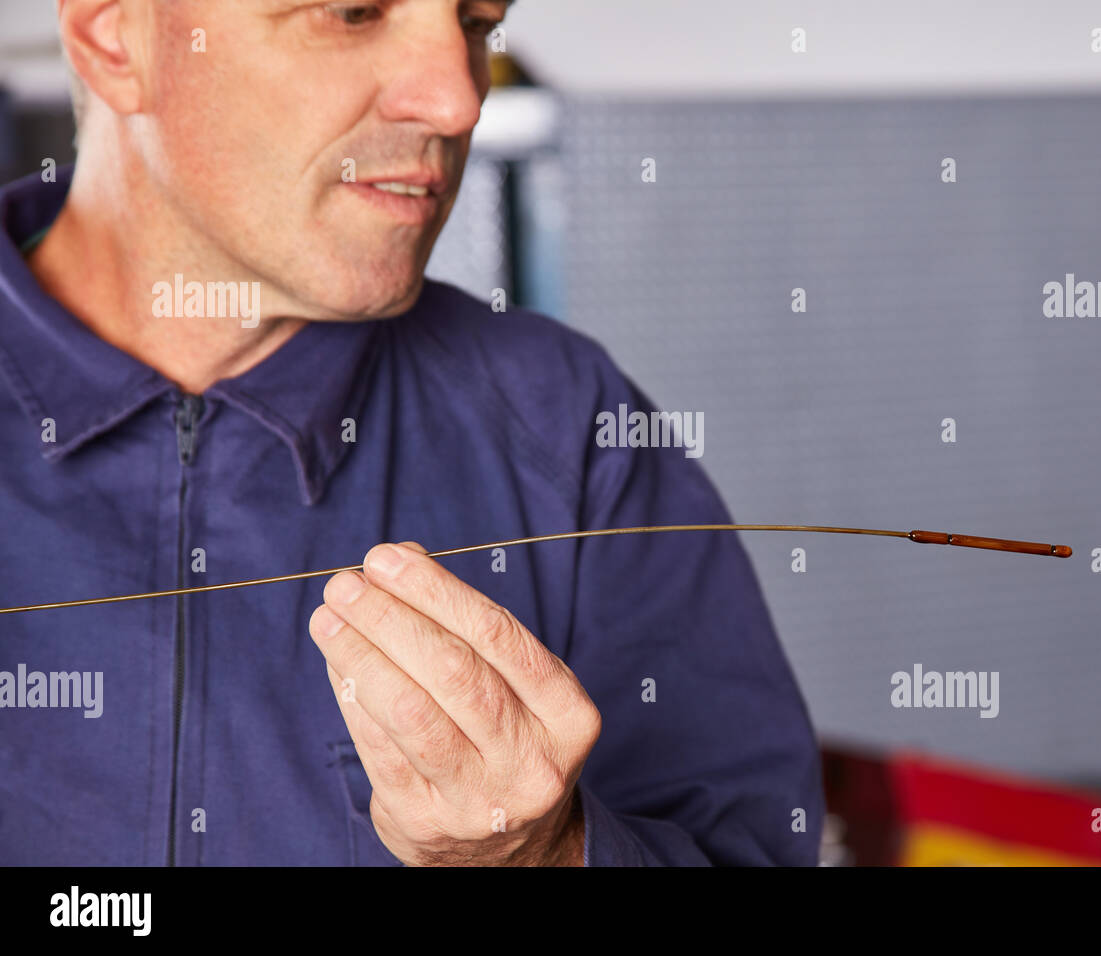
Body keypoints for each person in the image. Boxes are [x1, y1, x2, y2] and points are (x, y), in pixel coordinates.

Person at [0, 0, 823, 865]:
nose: (459, 99)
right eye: (355, 13)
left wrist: (548, 856)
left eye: (473, 22)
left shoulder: (572, 429)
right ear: (113, 35)